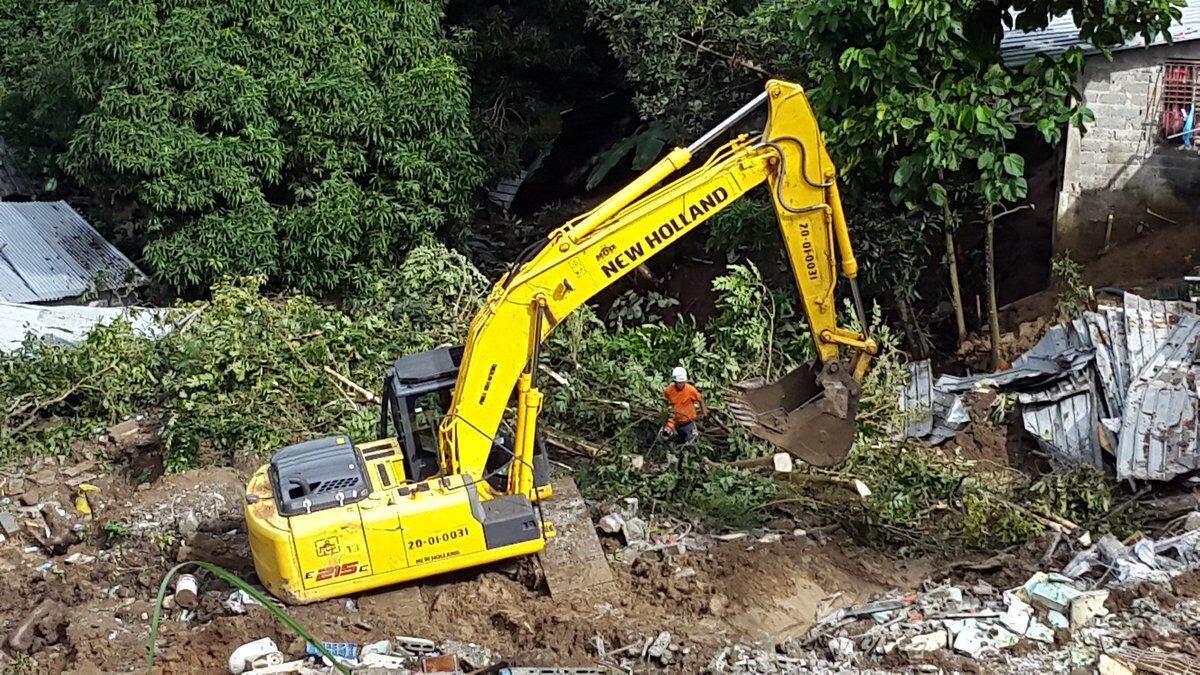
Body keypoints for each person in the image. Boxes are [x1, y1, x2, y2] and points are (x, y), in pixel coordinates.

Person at [663, 366, 707, 445]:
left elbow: (701, 400)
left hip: (688, 422)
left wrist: (705, 415)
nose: (680, 384)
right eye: (678, 382)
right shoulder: (668, 391)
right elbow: (665, 404)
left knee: (690, 442)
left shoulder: (690, 390)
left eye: (682, 382)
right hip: (675, 421)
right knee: (668, 437)